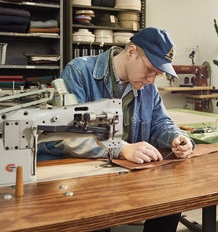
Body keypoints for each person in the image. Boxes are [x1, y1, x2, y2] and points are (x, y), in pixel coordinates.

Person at [39, 27, 195, 232]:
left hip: (125, 172)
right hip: (81, 172)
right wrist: (120, 148)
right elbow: (69, 133)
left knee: (171, 200)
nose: (151, 80)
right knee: (94, 216)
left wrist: (177, 137)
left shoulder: (147, 86)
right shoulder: (78, 71)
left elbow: (159, 123)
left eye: (158, 75)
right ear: (131, 52)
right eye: (150, 70)